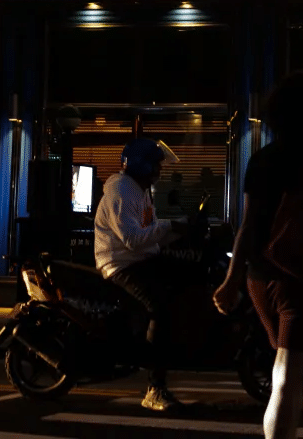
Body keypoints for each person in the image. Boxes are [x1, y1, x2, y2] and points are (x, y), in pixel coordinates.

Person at [213, 71, 303, 439]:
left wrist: (231, 280)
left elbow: (247, 226)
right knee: (286, 377)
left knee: (287, 370)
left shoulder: (261, 159)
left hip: (260, 279)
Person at [94, 138, 183, 412]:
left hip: (139, 259)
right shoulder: (121, 191)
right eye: (156, 165)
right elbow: (133, 239)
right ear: (142, 165)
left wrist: (178, 233)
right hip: (120, 264)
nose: (160, 170)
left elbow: (149, 233)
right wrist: (170, 227)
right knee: (160, 308)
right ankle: (155, 389)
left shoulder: (141, 190)